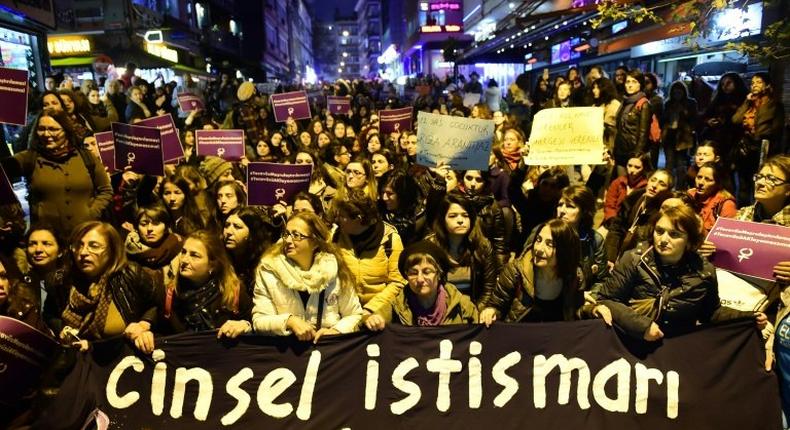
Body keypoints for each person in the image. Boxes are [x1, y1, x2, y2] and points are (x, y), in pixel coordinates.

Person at [594, 206, 765, 340]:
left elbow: (711, 313)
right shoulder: (634, 259)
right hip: (633, 340)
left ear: (689, 240)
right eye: (659, 231)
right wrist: (641, 326)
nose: (663, 239)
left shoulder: (704, 272)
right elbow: (607, 299)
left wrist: (750, 317)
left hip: (678, 346)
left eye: (674, 234)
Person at [132, 230, 253, 353]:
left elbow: (254, 324)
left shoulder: (233, 293)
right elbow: (158, 330)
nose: (184, 260)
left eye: (194, 255)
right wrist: (145, 333)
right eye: (183, 252)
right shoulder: (169, 295)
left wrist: (244, 325)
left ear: (213, 265)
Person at [252, 212, 363, 341]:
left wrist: (335, 331)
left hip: (326, 350)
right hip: (286, 351)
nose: (288, 240)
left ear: (315, 242)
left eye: (296, 235)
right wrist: (289, 321)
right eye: (287, 234)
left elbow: (354, 315)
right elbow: (259, 320)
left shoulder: (334, 269)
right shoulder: (269, 270)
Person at [1, 110, 112, 235]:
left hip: (84, 234)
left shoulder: (86, 157)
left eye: (53, 129)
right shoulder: (30, 158)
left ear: (66, 130)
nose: (46, 134)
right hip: (47, 239)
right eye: (41, 129)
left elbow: (106, 190)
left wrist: (91, 213)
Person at [60, 222, 158, 351]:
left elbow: (156, 306)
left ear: (112, 250)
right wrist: (62, 331)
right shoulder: (63, 280)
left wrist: (144, 324)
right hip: (78, 361)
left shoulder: (130, 274)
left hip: (121, 358)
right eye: (78, 246)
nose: (83, 252)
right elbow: (50, 315)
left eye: (94, 246)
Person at [479, 219, 596, 324]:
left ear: (565, 251)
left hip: (556, 340)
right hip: (520, 337)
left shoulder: (574, 276)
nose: (539, 249)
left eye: (550, 244)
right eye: (538, 240)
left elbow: (576, 311)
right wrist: (490, 311)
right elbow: (497, 306)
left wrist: (593, 309)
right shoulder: (515, 271)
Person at [364, 240, 478, 330]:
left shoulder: (461, 304)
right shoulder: (398, 305)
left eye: (427, 272)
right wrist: (369, 320)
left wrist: (487, 316)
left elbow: (482, 334)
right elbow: (360, 330)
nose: (419, 279)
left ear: (439, 274)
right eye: (413, 273)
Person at [331, 190, 406, 314]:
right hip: (344, 310)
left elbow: (398, 282)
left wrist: (371, 309)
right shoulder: (335, 237)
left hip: (379, 310)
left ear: (358, 219)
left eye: (342, 216)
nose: (337, 219)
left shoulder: (390, 239)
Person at [425, 193, 498, 303]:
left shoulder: (482, 246)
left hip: (474, 310)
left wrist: (477, 312)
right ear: (442, 220)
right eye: (453, 216)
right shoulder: (430, 246)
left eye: (465, 215)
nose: (460, 220)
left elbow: (489, 288)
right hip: (440, 311)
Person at [732, 72, 785, 206]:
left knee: (759, 181)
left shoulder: (774, 105)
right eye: (753, 83)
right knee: (743, 184)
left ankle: (758, 211)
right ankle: (743, 211)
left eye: (759, 82)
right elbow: (735, 120)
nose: (754, 85)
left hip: (763, 148)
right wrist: (747, 102)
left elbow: (776, 130)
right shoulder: (749, 103)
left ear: (767, 85)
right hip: (746, 148)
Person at [604, 169, 673, 264]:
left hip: (637, 259)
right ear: (648, 181)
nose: (654, 186)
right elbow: (616, 229)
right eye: (653, 180)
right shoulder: (632, 199)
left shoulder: (662, 213)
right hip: (619, 250)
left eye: (662, 184)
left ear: (668, 191)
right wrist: (610, 258)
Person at [23, 224, 72, 333]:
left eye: (46, 244)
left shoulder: (69, 283)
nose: (38, 249)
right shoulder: (22, 282)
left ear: (60, 251)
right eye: (32, 244)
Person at [223, 207, 274, 295]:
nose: (229, 232)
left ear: (251, 233)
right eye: (227, 225)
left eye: (237, 227)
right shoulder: (220, 257)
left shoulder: (265, 262)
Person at [660, 81, 698, 189]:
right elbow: (663, 120)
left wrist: (684, 112)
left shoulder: (690, 103)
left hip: (683, 137)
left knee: (681, 165)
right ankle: (666, 187)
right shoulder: (668, 103)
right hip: (670, 135)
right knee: (669, 165)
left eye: (679, 91)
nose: (677, 94)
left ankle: (680, 189)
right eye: (675, 91)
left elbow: (694, 120)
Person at [124, 204, 184, 270]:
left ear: (166, 227)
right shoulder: (127, 252)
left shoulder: (178, 244)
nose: (149, 229)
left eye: (156, 223)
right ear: (137, 228)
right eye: (144, 224)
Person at [613, 69, 651, 170]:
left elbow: (644, 133)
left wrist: (637, 154)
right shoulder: (624, 101)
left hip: (633, 151)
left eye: (634, 82)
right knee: (621, 181)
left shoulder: (643, 104)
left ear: (640, 84)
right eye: (628, 82)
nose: (630, 85)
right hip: (620, 150)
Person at [378, 170, 426, 246]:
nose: (384, 197)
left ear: (403, 194)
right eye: (382, 192)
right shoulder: (378, 208)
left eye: (390, 193)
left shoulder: (418, 215)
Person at [688, 162, 737, 234]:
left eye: (708, 179)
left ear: (718, 183)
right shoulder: (689, 195)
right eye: (699, 177)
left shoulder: (726, 204)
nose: (701, 182)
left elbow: (727, 237)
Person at [603, 152, 651, 225]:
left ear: (644, 168)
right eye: (629, 165)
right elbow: (609, 205)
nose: (631, 170)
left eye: (637, 167)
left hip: (636, 224)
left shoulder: (647, 186)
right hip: (614, 221)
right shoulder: (618, 182)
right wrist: (612, 221)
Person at [591, 78, 621, 151]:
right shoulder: (596, 105)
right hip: (597, 144)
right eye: (593, 88)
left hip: (610, 145)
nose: (594, 90)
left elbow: (610, 126)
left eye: (597, 88)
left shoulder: (614, 104)